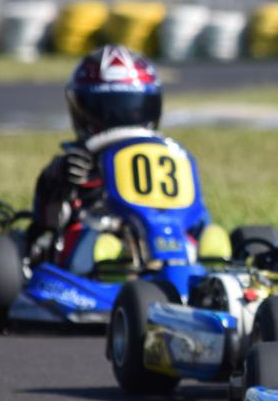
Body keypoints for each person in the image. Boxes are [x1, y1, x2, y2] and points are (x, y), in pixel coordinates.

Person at [27, 44, 216, 271]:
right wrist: (57, 178)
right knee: (100, 244)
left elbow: (196, 214)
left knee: (215, 238)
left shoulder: (172, 154)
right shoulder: (78, 164)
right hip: (109, 239)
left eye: (132, 107)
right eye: (108, 110)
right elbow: (45, 221)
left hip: (172, 235)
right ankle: (113, 274)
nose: (120, 119)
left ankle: (212, 271)